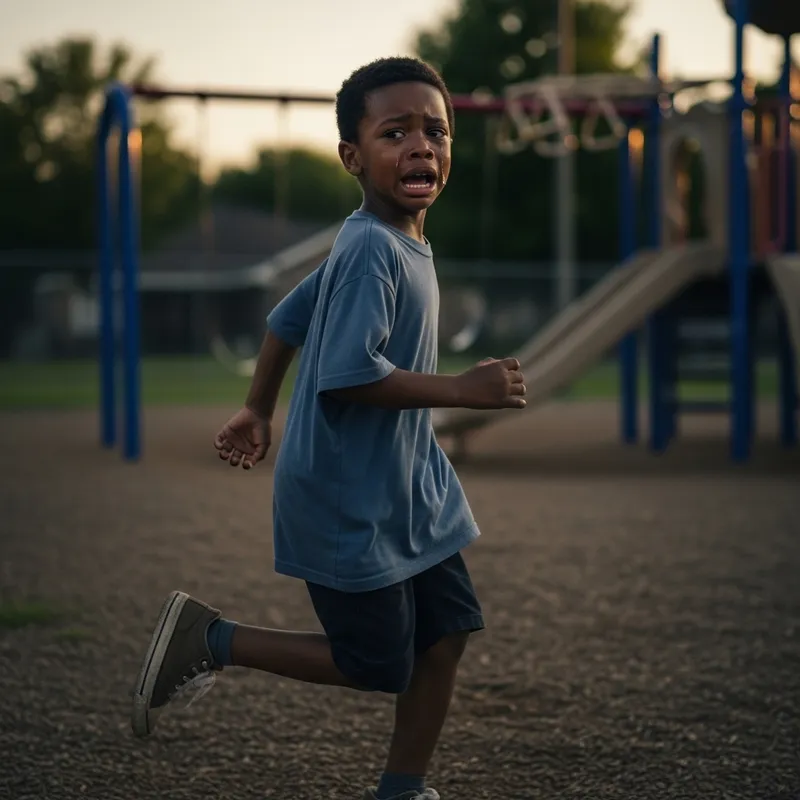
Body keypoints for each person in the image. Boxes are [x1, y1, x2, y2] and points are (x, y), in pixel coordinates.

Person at [130, 56, 526, 800]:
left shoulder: (384, 238)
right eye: (395, 131)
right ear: (353, 156)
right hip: (349, 498)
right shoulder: (374, 246)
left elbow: (286, 320)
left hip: (409, 488)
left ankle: (402, 789)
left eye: (435, 131)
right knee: (379, 662)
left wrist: (257, 405)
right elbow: (349, 373)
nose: (420, 146)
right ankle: (211, 641)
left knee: (444, 636)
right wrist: (462, 391)